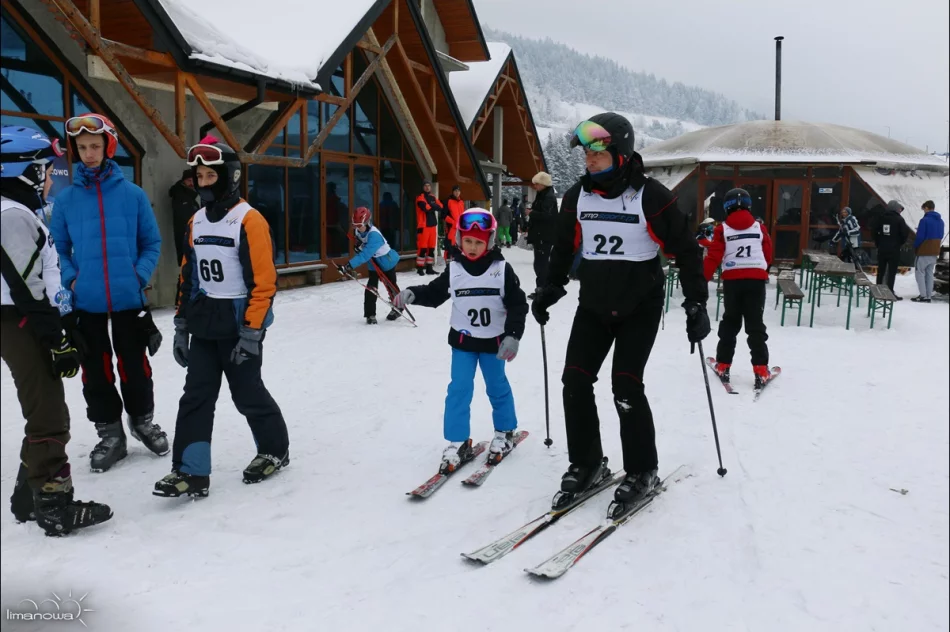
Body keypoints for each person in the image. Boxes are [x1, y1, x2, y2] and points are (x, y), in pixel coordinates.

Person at [531, 113, 710, 507]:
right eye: (587, 154)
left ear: (621, 153)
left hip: (638, 307)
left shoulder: (651, 196)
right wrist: (550, 287)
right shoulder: (578, 196)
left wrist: (697, 301)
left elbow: (686, 248)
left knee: (625, 387)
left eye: (598, 152)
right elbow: (564, 246)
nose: (589, 160)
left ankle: (642, 468)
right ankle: (587, 462)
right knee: (575, 382)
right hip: (593, 305)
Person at [155, 136, 290, 498]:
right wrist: (181, 326)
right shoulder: (196, 221)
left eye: (209, 176)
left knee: (246, 393)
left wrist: (251, 333)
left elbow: (264, 283)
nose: (202, 183)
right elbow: (189, 276)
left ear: (229, 177)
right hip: (204, 323)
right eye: (198, 177)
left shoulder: (249, 220)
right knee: (196, 396)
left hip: (239, 323)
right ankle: (190, 471)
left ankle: (275, 449)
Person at [1, 125, 112, 535]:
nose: (50, 178)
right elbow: (27, 287)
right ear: (25, 172)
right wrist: (56, 339)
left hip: (26, 317)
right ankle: (52, 503)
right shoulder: (11, 215)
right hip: (21, 321)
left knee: (44, 407)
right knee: (49, 413)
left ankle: (26, 497)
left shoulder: (16, 211)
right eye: (44, 170)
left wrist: (62, 323)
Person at [50, 113, 167, 473]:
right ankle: (110, 434)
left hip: (129, 300)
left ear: (107, 147)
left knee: (135, 366)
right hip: (88, 303)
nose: (88, 153)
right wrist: (73, 279)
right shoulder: (66, 200)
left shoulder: (132, 195)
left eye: (95, 146)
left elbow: (152, 242)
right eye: (82, 147)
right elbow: (59, 249)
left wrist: (138, 274)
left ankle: (142, 422)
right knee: (95, 371)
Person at [393, 209, 528, 472]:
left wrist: (513, 335)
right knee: (459, 390)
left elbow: (518, 304)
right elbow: (434, 293)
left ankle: (505, 431)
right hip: (464, 342)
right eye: (468, 241)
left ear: (489, 241)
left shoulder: (501, 270)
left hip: (494, 343)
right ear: (459, 239)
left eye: (479, 242)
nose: (473, 247)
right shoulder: (454, 269)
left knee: (497, 386)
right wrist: (413, 293)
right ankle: (457, 440)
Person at [702, 188, 775, 389]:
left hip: (733, 282)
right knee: (755, 325)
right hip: (756, 281)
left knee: (730, 322)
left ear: (726, 207)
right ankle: (761, 368)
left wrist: (701, 281)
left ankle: (723, 364)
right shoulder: (760, 228)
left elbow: (713, 257)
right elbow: (768, 255)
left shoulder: (722, 229)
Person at [336, 206, 403, 324]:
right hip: (373, 264)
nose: (357, 228)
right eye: (355, 225)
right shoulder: (359, 230)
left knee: (391, 286)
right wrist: (358, 246)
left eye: (359, 225)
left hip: (386, 262)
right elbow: (362, 246)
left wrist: (348, 266)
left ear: (367, 222)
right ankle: (370, 314)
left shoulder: (374, 235)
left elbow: (365, 255)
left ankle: (399, 307)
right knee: (371, 289)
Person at [527, 172, 557, 298]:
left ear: (543, 184)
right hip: (540, 234)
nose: (535, 186)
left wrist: (532, 213)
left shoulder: (548, 197)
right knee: (539, 263)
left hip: (544, 235)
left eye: (537, 184)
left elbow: (548, 216)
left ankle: (543, 289)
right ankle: (541, 287)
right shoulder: (542, 195)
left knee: (542, 264)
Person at [872, 200, 910, 298]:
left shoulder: (881, 218)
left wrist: (878, 243)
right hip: (894, 250)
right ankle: (890, 291)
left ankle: (878, 289)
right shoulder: (899, 219)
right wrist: (899, 243)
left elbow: (874, 231)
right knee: (892, 272)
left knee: (881, 270)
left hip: (882, 248)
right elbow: (904, 234)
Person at [912, 200, 944, 303]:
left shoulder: (924, 220)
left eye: (923, 209)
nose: (923, 212)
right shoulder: (941, 221)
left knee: (919, 272)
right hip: (935, 250)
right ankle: (928, 295)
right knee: (929, 273)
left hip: (924, 250)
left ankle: (923, 296)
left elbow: (920, 237)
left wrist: (915, 245)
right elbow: (940, 235)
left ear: (926, 208)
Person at [169, 168, 200, 263]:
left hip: (190, 241)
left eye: (193, 181)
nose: (191, 183)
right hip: (188, 241)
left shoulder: (190, 197)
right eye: (188, 180)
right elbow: (185, 222)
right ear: (183, 181)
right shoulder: (182, 197)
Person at [415, 180, 442, 275]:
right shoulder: (420, 197)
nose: (427, 187)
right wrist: (433, 205)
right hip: (423, 226)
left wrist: (431, 205)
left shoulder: (433, 197)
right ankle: (420, 268)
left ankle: (429, 268)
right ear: (423, 187)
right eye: (425, 186)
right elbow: (424, 208)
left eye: (429, 186)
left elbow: (440, 207)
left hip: (432, 226)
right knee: (422, 248)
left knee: (431, 248)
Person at [442, 184, 465, 262]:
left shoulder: (461, 202)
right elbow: (443, 215)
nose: (457, 192)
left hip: (460, 228)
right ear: (453, 192)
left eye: (458, 191)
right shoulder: (448, 201)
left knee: (458, 247)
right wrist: (453, 222)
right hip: (451, 228)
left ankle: (457, 265)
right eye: (455, 191)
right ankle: (448, 266)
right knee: (449, 247)